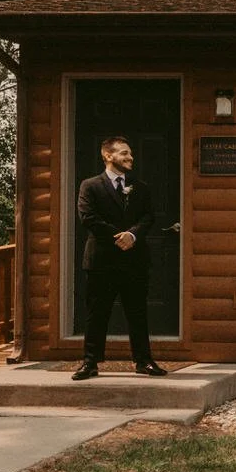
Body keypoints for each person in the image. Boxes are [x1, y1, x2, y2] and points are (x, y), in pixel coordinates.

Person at [74, 136, 167, 380]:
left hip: (134, 260)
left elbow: (148, 217)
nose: (130, 158)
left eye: (131, 154)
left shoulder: (141, 187)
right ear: (108, 156)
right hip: (102, 260)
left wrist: (133, 236)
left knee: (137, 313)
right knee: (97, 313)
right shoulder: (90, 186)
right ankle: (90, 363)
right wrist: (119, 237)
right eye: (124, 153)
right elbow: (88, 218)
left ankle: (143, 361)